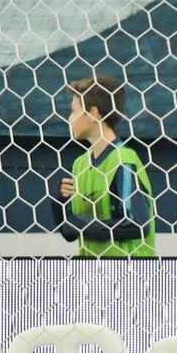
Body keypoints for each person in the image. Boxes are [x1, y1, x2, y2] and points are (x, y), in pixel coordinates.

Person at [49, 75, 156, 257]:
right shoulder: (80, 164)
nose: (70, 118)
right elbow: (70, 232)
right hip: (93, 277)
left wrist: (79, 223)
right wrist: (58, 203)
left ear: (93, 113)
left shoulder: (123, 160)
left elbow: (137, 225)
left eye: (74, 111)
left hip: (130, 277)